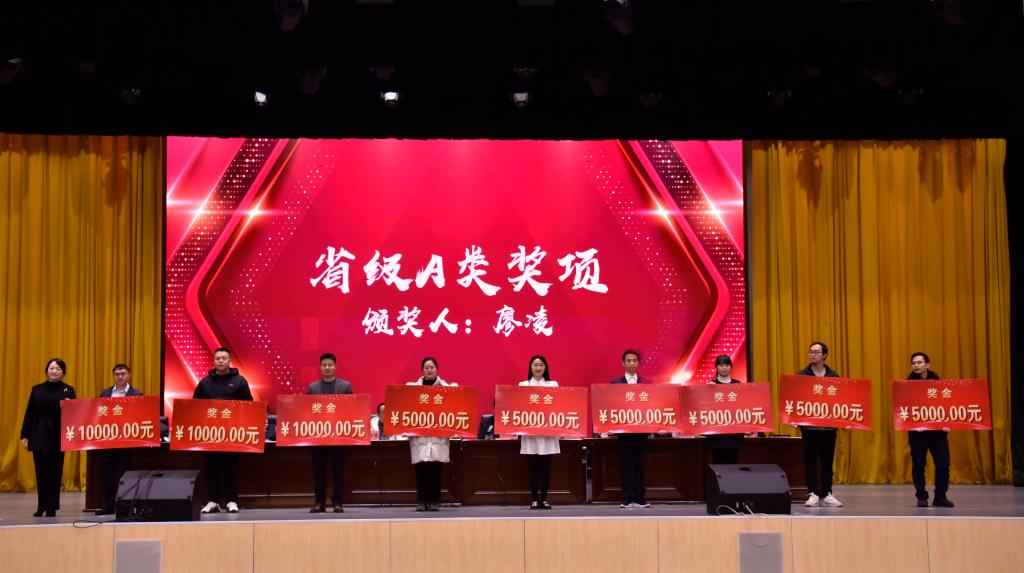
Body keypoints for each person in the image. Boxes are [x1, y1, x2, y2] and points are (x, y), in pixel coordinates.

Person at [193, 347, 253, 514]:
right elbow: (195, 406)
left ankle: (231, 500)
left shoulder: (240, 381)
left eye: (224, 358)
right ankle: (212, 501)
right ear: (214, 361)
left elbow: (249, 405)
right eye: (218, 358)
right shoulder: (205, 382)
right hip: (210, 434)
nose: (221, 361)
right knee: (211, 468)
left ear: (229, 360)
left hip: (232, 433)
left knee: (231, 467)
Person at [20, 358, 76, 517]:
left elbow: (75, 414)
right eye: (51, 368)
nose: (54, 371)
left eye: (58, 369)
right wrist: (24, 435)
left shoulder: (68, 390)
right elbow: (29, 413)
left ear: (63, 372)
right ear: (46, 371)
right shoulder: (37, 389)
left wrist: (69, 406)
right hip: (38, 433)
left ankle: (51, 507)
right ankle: (41, 506)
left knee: (55, 472)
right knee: (41, 472)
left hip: (58, 435)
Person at [796, 342, 843, 508]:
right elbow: (796, 398)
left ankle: (827, 492)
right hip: (809, 428)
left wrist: (845, 419)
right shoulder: (802, 376)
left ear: (824, 355)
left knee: (827, 462)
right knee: (810, 461)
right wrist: (794, 417)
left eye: (816, 352)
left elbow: (840, 400)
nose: (812, 355)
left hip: (828, 428)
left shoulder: (834, 376)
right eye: (810, 352)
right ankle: (813, 493)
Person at [94, 363, 143, 515]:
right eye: (117, 374)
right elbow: (98, 414)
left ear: (129, 376)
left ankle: (125, 506)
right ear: (113, 376)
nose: (120, 377)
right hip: (107, 441)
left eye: (123, 374)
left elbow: (140, 417)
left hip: (126, 442)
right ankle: (107, 506)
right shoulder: (105, 393)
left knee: (125, 475)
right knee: (106, 474)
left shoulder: (137, 394)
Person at [907, 352, 954, 508]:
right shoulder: (906, 385)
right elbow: (903, 409)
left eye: (919, 362)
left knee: (943, 464)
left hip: (938, 433)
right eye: (914, 363)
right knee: (918, 464)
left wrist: (947, 422)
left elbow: (946, 406)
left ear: (927, 365)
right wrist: (914, 423)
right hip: (918, 434)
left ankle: (940, 496)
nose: (916, 365)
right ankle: (921, 496)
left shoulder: (939, 383)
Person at [307, 352, 352, 513]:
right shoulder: (313, 387)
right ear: (320, 367)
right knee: (319, 471)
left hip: (338, 435)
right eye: (324, 365)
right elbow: (307, 410)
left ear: (335, 367)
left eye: (330, 365)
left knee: (338, 470)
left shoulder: (345, 386)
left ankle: (338, 502)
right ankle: (320, 502)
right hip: (318, 436)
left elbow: (351, 409)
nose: (327, 368)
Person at [407, 357, 453, 512]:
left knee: (435, 471)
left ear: (437, 369)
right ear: (422, 370)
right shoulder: (412, 389)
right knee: (421, 471)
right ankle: (421, 501)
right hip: (420, 436)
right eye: (426, 368)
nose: (429, 370)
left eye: (432, 367)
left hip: (438, 437)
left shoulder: (446, 388)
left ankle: (434, 501)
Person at [611, 349, 650, 508]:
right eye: (628, 360)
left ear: (638, 363)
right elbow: (611, 405)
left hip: (641, 432)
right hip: (624, 432)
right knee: (625, 466)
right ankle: (626, 498)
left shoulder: (646, 384)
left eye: (634, 360)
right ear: (623, 363)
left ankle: (640, 498)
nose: (632, 363)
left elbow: (651, 406)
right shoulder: (615, 383)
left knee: (640, 466)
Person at [520, 355, 559, 509]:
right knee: (533, 468)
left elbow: (559, 405)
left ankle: (544, 498)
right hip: (530, 433)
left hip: (548, 433)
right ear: (530, 367)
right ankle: (535, 499)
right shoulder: (523, 385)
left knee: (545, 468)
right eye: (535, 365)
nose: (538, 368)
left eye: (541, 365)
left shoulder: (553, 385)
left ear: (545, 367)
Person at [706, 355, 744, 464]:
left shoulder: (738, 385)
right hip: (717, 436)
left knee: (733, 466)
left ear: (731, 366)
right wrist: (706, 390)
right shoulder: (711, 385)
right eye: (721, 365)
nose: (724, 368)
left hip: (734, 436)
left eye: (727, 365)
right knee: (718, 465)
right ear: (716, 367)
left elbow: (743, 406)